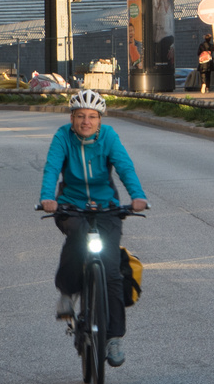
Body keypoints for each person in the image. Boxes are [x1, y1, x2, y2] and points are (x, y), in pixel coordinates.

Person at [39, 89, 147, 368]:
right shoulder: (63, 136)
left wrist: (136, 196)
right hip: (71, 206)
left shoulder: (109, 137)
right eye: (80, 116)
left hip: (106, 207)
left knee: (112, 272)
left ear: (100, 120)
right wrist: (47, 198)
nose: (86, 122)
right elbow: (52, 167)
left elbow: (124, 166)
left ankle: (114, 338)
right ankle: (67, 291)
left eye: (92, 117)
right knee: (76, 237)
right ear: (72, 118)